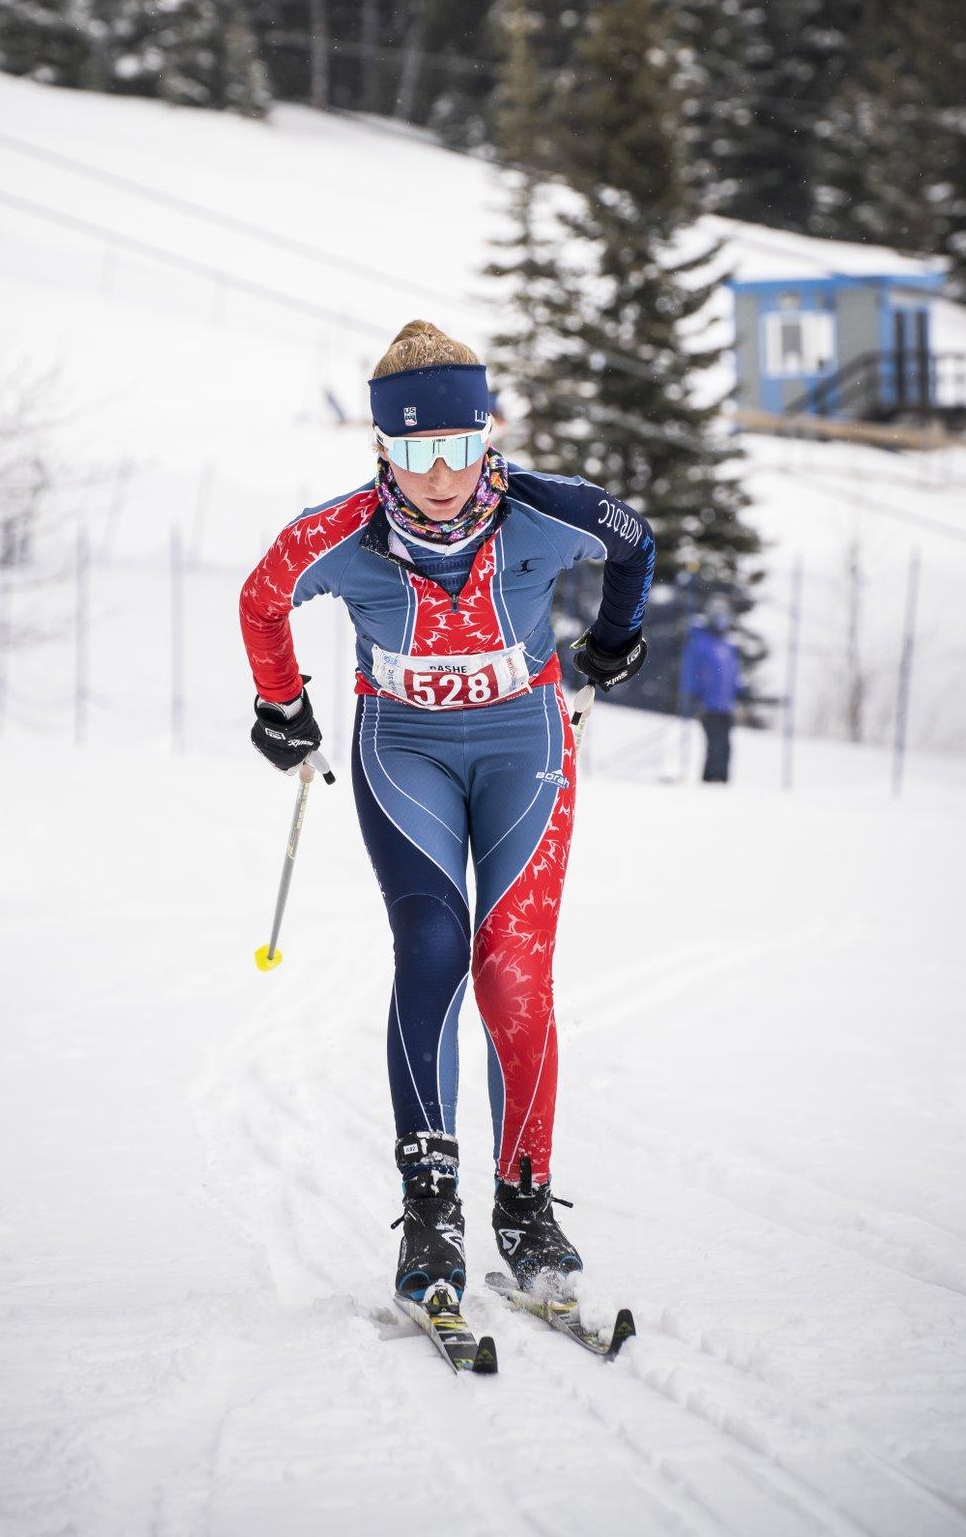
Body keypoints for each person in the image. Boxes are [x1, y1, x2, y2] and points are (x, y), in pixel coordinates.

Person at [239, 321, 655, 1303]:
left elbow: (636, 544)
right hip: (404, 749)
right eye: (418, 451)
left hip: (525, 746)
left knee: (512, 970)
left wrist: (614, 644)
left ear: (487, 433)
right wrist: (281, 706)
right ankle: (431, 1209)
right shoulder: (334, 534)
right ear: (384, 446)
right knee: (432, 948)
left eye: (461, 447)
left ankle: (525, 1203)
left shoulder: (547, 514)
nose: (442, 475)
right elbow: (262, 600)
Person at [679, 597, 740, 783]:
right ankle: (711, 782)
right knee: (715, 746)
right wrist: (692, 696)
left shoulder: (727, 646)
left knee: (726, 747)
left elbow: (732, 675)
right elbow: (690, 672)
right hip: (707, 705)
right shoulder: (699, 642)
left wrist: (740, 693)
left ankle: (721, 782)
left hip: (726, 707)